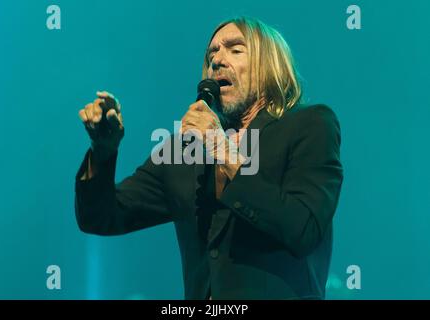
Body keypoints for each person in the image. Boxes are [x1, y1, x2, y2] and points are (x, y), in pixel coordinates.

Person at [75, 16, 343, 300]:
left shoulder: (309, 125)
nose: (217, 60)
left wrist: (221, 147)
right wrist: (103, 150)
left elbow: (302, 228)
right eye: (211, 54)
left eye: (235, 50)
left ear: (269, 66)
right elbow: (101, 217)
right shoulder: (185, 152)